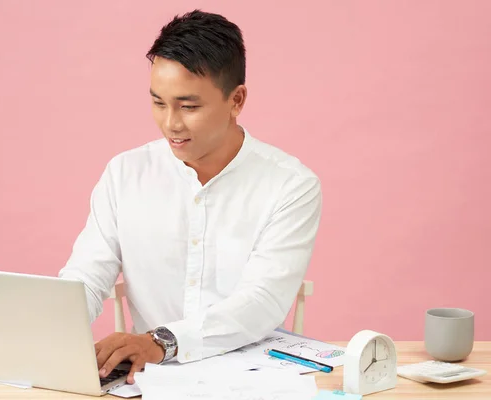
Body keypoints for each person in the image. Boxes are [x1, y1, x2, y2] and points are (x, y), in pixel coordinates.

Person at [58, 9, 322, 384]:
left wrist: (162, 341)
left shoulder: (290, 185)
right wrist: (49, 333)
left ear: (236, 100)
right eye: (158, 103)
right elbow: (86, 275)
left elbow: (262, 301)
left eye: (189, 106)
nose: (171, 123)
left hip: (251, 380)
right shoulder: (125, 174)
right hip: (148, 380)